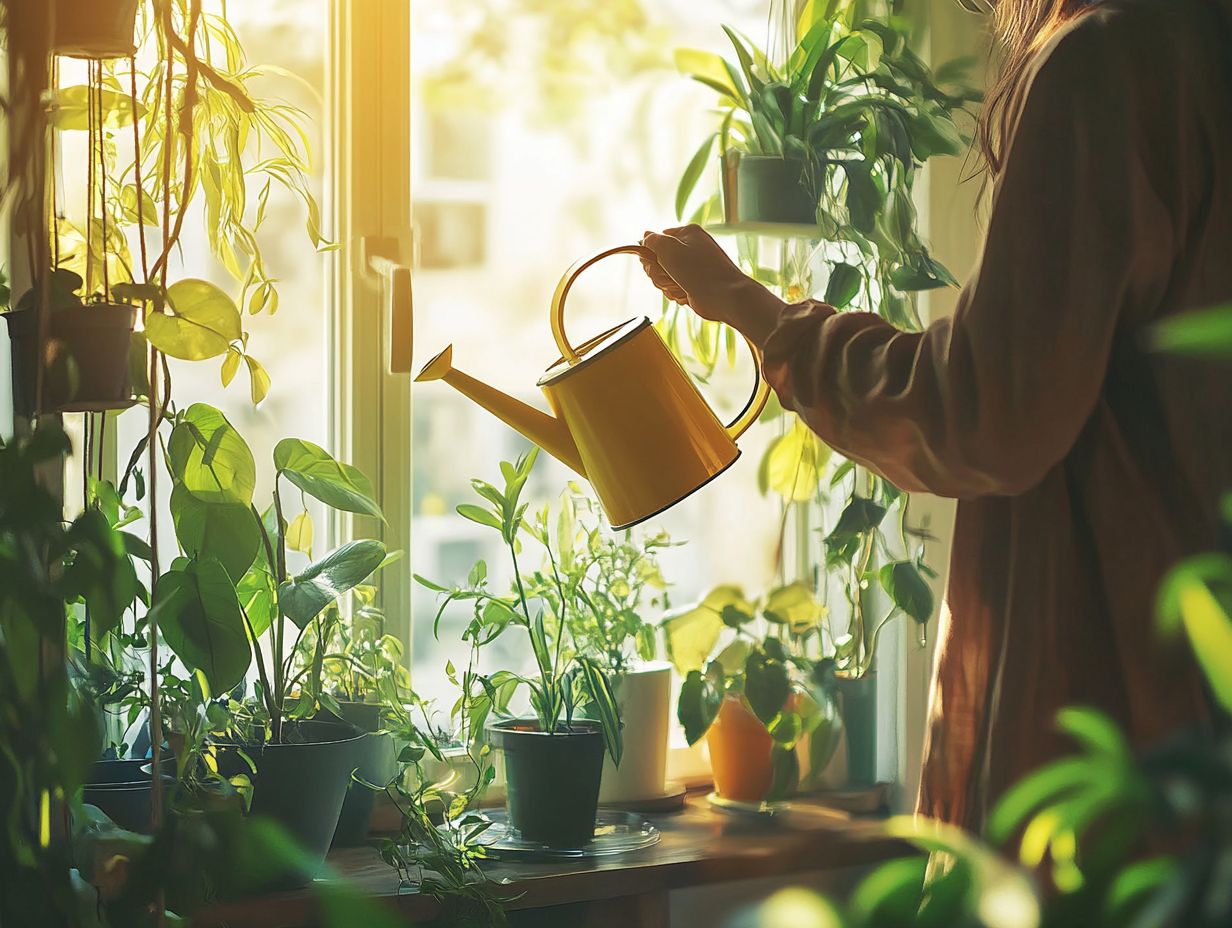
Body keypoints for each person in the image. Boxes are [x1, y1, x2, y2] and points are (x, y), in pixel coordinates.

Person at [639, 0, 1232, 832]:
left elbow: (981, 410)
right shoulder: (1194, 45)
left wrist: (758, 313)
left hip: (1105, 733)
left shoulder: (1106, 59)